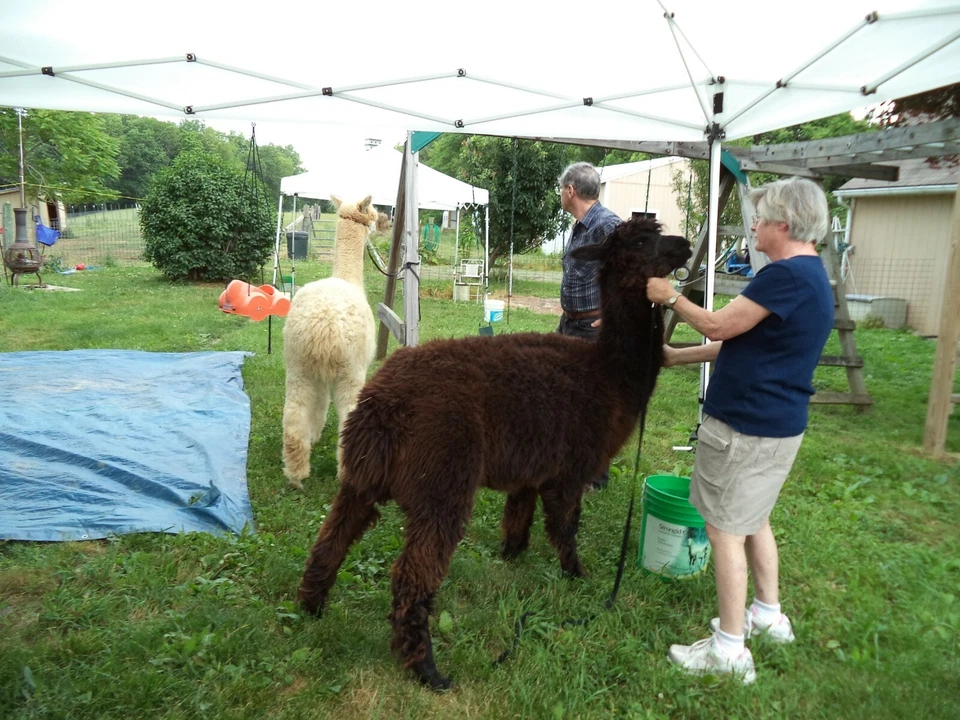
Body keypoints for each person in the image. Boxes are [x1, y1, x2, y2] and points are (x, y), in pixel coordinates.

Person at [646, 176, 834, 684]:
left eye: (762, 215)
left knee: (724, 530)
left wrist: (670, 297)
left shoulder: (783, 277)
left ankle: (729, 650)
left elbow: (718, 326)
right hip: (779, 426)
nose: (754, 224)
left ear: (785, 224)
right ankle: (767, 615)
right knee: (754, 519)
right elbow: (743, 344)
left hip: (746, 427)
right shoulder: (813, 277)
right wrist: (675, 356)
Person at [557, 162, 622, 491]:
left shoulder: (607, 224)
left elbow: (635, 268)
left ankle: (595, 477)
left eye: (561, 189)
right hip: (571, 324)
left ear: (570, 191)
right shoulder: (582, 225)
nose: (560, 194)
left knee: (594, 402)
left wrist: (614, 314)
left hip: (592, 329)